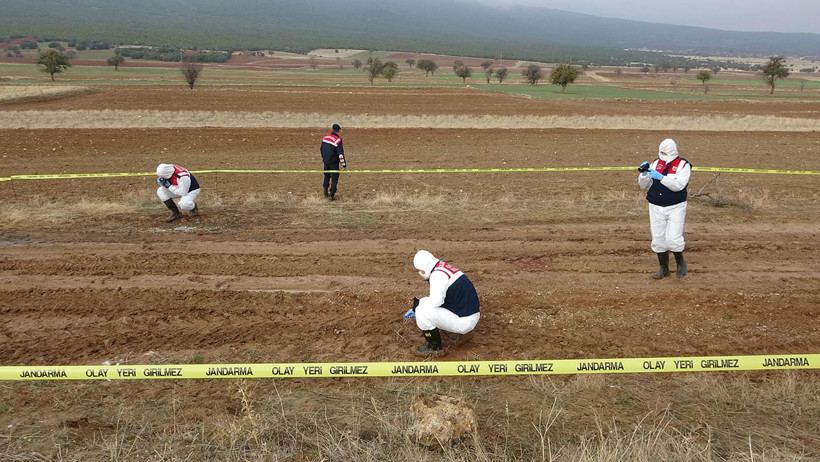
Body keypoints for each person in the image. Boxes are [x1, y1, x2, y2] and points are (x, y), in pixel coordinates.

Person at [404, 250, 481, 355]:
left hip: (465, 322)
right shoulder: (443, 267)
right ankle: (462, 332)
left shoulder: (437, 276)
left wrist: (417, 308)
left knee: (422, 311)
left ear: (425, 268)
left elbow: (436, 302)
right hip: (470, 313)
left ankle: (434, 347)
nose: (420, 273)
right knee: (423, 303)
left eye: (421, 271)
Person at [638, 138, 691, 278]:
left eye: (665, 152)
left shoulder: (683, 165)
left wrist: (662, 177)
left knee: (673, 238)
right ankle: (663, 268)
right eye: (661, 152)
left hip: (675, 206)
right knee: (658, 238)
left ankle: (680, 263)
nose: (662, 154)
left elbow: (679, 185)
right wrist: (643, 175)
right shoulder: (655, 163)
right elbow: (645, 185)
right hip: (655, 205)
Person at [320, 123, 347, 200]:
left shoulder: (325, 137)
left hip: (326, 161)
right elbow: (340, 154)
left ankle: (325, 192)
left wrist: (323, 158)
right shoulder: (338, 141)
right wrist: (344, 165)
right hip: (333, 162)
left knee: (327, 176)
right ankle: (332, 195)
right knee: (334, 178)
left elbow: (321, 149)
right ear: (339, 130)